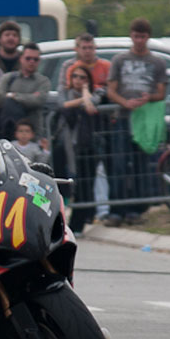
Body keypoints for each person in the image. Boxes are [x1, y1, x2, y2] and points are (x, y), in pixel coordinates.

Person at [105, 17, 167, 226]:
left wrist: (148, 98)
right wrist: (124, 102)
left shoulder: (157, 62)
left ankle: (137, 210)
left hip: (145, 121)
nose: (139, 40)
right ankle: (116, 210)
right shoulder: (119, 60)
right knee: (120, 165)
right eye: (136, 36)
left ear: (148, 37)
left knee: (140, 166)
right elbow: (111, 90)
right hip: (123, 119)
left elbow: (161, 92)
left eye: (143, 36)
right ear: (131, 35)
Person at [58, 65, 107, 234]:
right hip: (66, 147)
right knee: (64, 187)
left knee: (85, 186)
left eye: (83, 78)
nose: (78, 80)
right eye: (76, 77)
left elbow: (90, 106)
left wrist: (86, 91)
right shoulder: (65, 91)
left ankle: (77, 225)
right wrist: (83, 99)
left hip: (87, 146)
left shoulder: (97, 93)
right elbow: (63, 104)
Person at [0, 42, 51, 141]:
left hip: (32, 135)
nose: (31, 62)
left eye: (35, 59)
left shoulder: (43, 81)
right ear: (21, 59)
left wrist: (13, 95)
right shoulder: (8, 78)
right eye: (28, 58)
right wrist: (28, 97)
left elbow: (38, 100)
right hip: (7, 134)